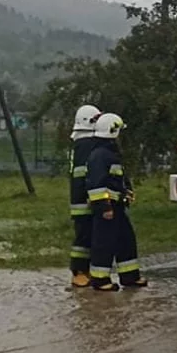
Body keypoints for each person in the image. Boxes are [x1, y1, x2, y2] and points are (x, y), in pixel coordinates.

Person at [85, 112, 147, 292]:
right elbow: (96, 184)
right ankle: (99, 280)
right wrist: (104, 207)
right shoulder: (100, 155)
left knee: (126, 241)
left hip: (117, 207)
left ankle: (129, 277)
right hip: (107, 208)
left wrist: (126, 191)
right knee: (104, 243)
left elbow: (115, 179)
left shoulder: (108, 153)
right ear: (112, 132)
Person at [68, 104, 101, 288]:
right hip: (83, 199)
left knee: (87, 235)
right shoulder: (85, 143)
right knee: (83, 238)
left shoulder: (81, 141)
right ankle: (78, 271)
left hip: (82, 196)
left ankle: (84, 269)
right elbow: (83, 173)